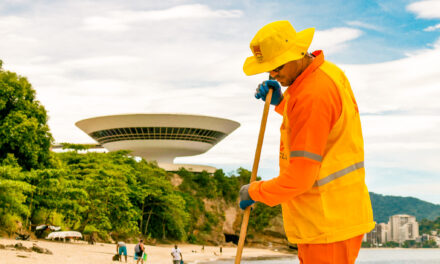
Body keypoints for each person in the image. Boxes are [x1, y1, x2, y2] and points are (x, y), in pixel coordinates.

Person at [239, 20, 374, 264]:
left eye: (277, 66)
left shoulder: (312, 95)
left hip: (326, 222)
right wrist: (283, 104)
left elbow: (300, 178)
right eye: (267, 69)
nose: (273, 74)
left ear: (298, 53)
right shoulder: (327, 73)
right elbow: (323, 126)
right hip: (334, 217)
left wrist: (255, 191)